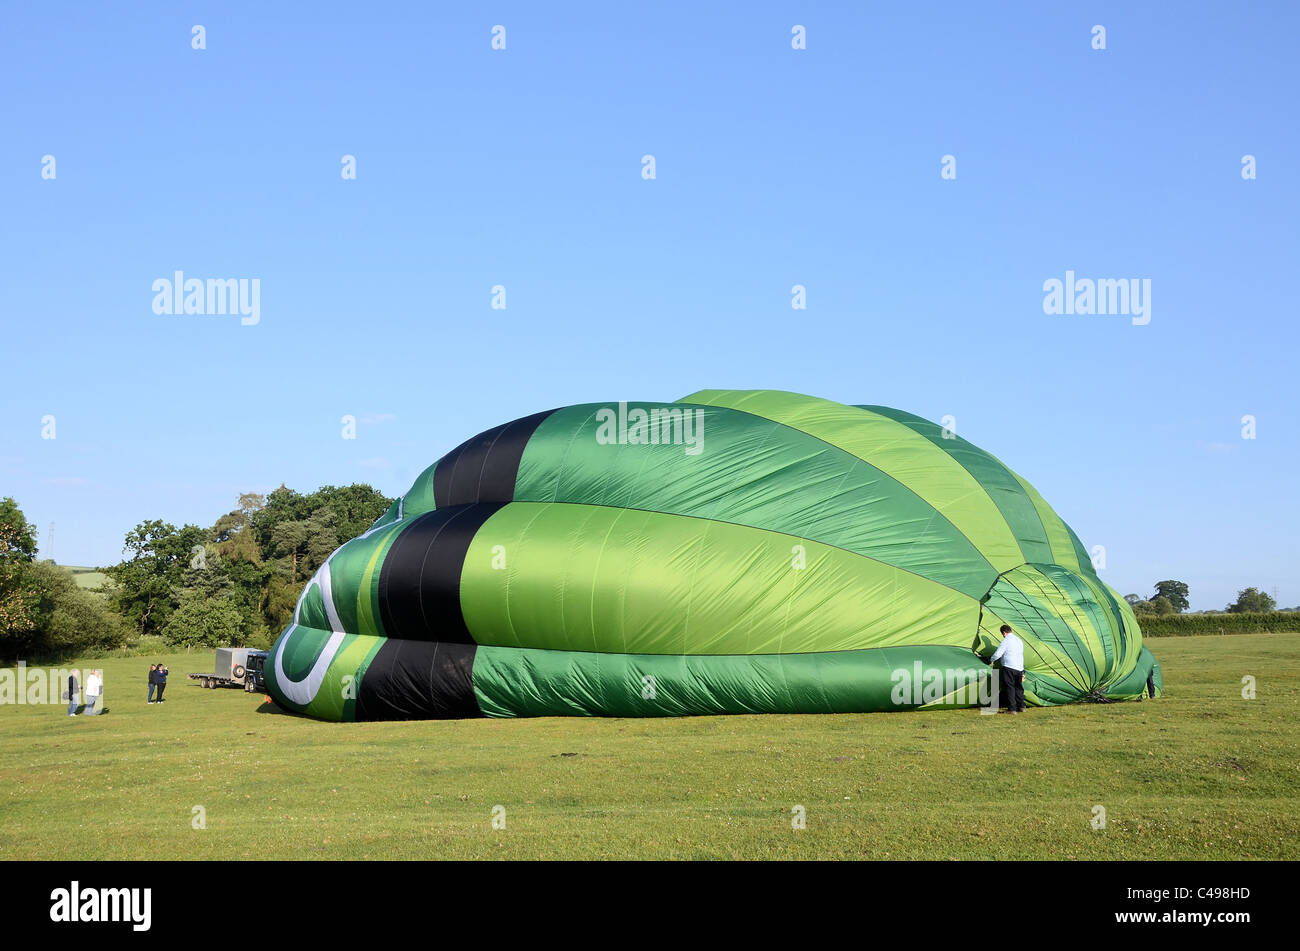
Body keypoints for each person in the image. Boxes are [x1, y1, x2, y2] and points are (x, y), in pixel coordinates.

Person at [986, 624, 1026, 713]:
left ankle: (1012, 709)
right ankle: (1022, 706)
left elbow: (998, 654)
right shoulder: (1019, 640)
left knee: (1010, 687)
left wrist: (990, 659)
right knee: (1018, 687)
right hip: (1019, 667)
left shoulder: (1006, 640)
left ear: (1004, 632)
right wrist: (1023, 669)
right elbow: (1020, 654)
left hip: (1009, 666)